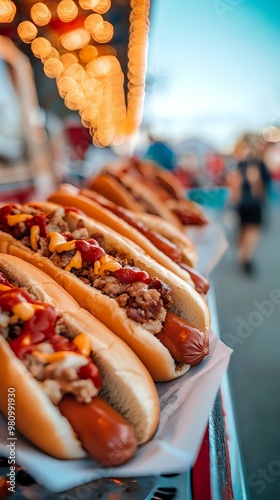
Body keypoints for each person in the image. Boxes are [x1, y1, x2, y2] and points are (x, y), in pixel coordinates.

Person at [228, 155, 271, 274]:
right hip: (247, 206)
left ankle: (244, 257)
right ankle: (245, 257)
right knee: (248, 231)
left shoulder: (250, 165)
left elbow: (259, 192)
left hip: (248, 206)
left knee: (248, 231)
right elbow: (258, 192)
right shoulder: (243, 166)